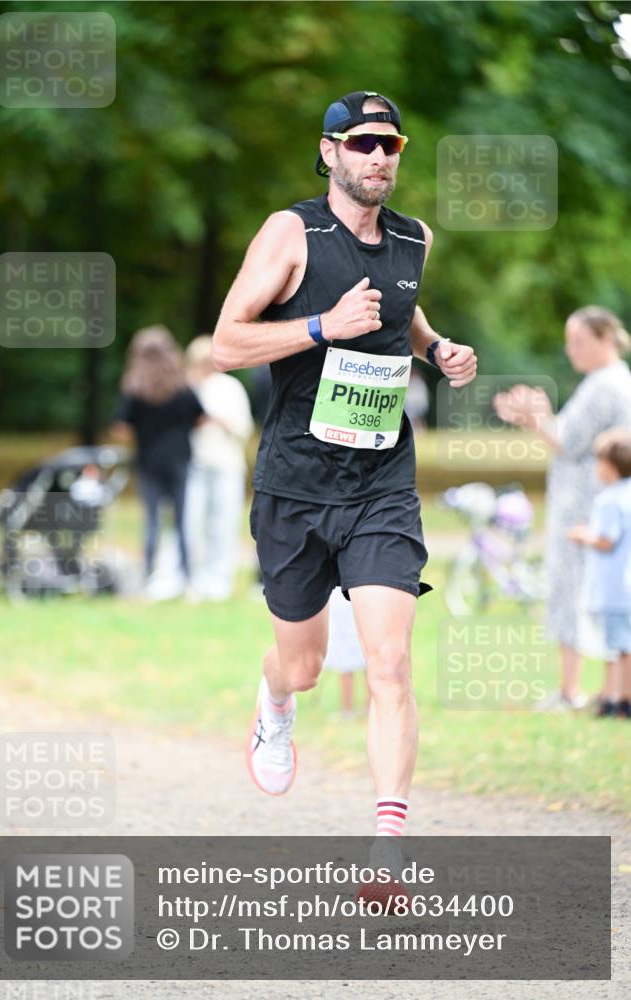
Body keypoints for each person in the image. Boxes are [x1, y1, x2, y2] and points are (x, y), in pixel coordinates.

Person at [212, 91, 477, 869]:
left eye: (389, 145)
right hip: (294, 482)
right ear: (327, 151)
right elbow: (227, 343)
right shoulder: (290, 234)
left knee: (391, 662)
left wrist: (435, 350)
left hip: (380, 483)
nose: (377, 157)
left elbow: (402, 310)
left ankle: (387, 847)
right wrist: (324, 325)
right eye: (360, 144)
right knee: (304, 665)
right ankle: (275, 701)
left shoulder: (413, 240)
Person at [493, 306, 631, 711]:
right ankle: (606, 689)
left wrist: (534, 417)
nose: (571, 351)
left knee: (573, 591)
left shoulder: (605, 385)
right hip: (594, 502)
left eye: (579, 342)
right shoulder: (611, 381)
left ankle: (571, 689)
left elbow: (567, 441)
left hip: (583, 507)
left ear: (605, 339)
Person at [111, 325, 203, 593]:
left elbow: (121, 428)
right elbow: (199, 417)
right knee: (182, 520)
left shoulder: (134, 388)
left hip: (148, 460)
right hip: (180, 458)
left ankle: (147, 576)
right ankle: (188, 578)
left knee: (151, 521)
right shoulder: (182, 385)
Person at [184, 335, 253, 601]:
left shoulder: (229, 387)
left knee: (223, 523)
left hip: (226, 464)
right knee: (192, 522)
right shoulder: (188, 387)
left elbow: (243, 426)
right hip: (194, 464)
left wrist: (219, 421)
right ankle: (193, 578)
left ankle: (219, 580)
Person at [568, 428, 631, 719]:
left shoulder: (609, 499)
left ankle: (619, 698)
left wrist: (584, 535)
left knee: (618, 647)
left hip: (613, 588)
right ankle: (612, 694)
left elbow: (606, 540)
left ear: (610, 465)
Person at [323, 586, 369, 719]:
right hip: (361, 591)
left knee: (346, 654)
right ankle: (365, 706)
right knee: (362, 649)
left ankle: (349, 709)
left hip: (346, 593)